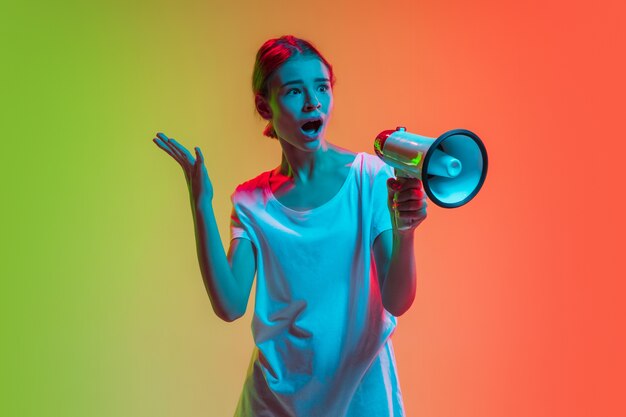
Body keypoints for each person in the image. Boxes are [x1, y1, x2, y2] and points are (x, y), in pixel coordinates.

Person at [153, 35, 427, 417]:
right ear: (265, 106)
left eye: (322, 87)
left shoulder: (371, 179)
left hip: (362, 397)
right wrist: (201, 204)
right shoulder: (251, 202)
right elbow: (230, 304)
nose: (313, 102)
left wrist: (405, 231)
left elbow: (397, 301)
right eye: (294, 91)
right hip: (275, 403)